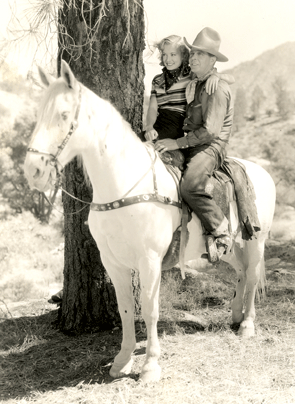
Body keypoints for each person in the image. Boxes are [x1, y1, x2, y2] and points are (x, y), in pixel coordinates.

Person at [154, 27, 234, 260]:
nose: (194, 57)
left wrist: (176, 143)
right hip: (192, 143)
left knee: (190, 186)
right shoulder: (199, 81)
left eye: (201, 54)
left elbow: (210, 131)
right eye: (193, 53)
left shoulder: (215, 87)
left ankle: (221, 231)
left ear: (212, 60)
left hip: (211, 146)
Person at [144, 35, 235, 144]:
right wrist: (149, 127)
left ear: (183, 55)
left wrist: (217, 76)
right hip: (158, 124)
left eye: (173, 54)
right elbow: (153, 108)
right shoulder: (157, 80)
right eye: (164, 54)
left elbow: (231, 79)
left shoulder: (190, 75)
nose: (168, 59)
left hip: (177, 127)